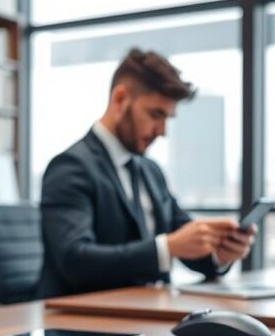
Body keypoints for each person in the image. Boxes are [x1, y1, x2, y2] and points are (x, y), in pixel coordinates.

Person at [38, 48, 255, 298]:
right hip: (85, 325)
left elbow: (183, 242)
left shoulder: (151, 172)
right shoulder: (70, 167)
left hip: (148, 315)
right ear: (120, 100)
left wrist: (219, 253)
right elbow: (74, 260)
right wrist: (166, 247)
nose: (162, 131)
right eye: (155, 114)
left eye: (167, 119)